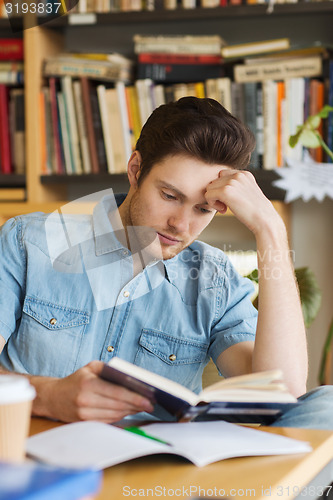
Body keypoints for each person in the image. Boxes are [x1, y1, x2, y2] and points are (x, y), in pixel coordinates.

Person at [0, 97, 331, 427]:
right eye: (170, 196)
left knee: (324, 405)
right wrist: (48, 396)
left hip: (152, 473)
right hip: (38, 461)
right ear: (135, 170)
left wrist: (269, 229)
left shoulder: (214, 283)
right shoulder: (29, 242)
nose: (181, 225)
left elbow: (283, 394)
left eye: (203, 209)